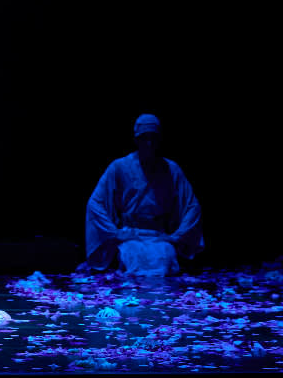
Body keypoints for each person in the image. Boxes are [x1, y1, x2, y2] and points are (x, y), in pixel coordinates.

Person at [84, 114, 203, 276]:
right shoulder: (119, 167)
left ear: (159, 140)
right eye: (144, 138)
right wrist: (114, 233)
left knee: (165, 258)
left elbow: (192, 206)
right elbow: (95, 203)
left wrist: (178, 236)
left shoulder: (171, 169)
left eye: (153, 138)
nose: (149, 143)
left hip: (158, 236)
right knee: (133, 259)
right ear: (136, 140)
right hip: (131, 235)